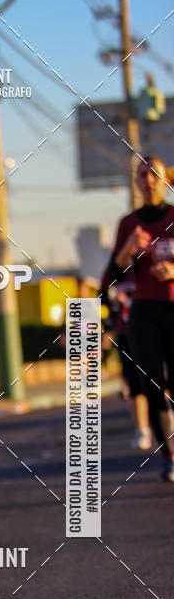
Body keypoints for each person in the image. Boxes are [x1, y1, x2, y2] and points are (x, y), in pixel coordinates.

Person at [104, 156, 174, 480]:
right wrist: (128, 249)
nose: (149, 180)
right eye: (143, 174)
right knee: (152, 384)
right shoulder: (128, 223)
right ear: (136, 182)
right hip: (144, 311)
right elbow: (111, 276)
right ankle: (170, 456)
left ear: (165, 180)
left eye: (155, 175)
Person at [99, 275, 152, 450]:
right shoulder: (116, 269)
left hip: (152, 330)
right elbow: (103, 297)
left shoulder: (150, 261)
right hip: (125, 332)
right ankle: (142, 429)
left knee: (158, 382)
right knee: (134, 384)